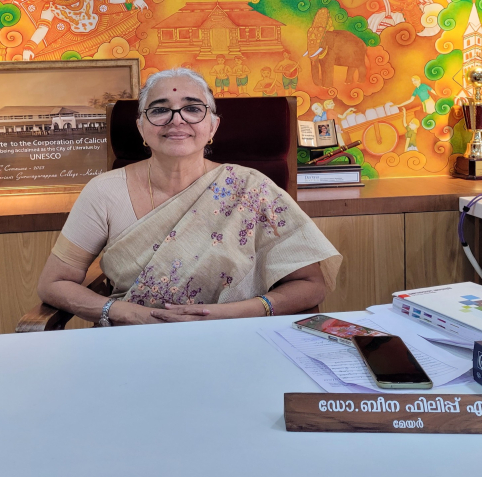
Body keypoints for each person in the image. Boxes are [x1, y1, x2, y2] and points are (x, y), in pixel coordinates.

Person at [36, 68, 341, 326]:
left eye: (193, 108)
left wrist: (226, 315)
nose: (176, 120)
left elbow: (310, 286)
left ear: (212, 127)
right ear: (142, 127)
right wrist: (124, 312)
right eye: (159, 110)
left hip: (235, 335)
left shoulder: (251, 188)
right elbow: (54, 283)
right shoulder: (104, 192)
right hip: (136, 341)